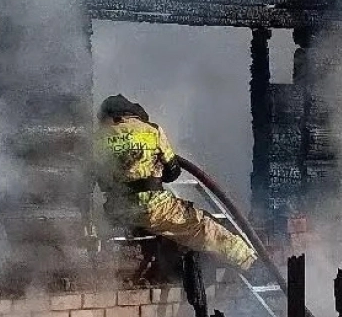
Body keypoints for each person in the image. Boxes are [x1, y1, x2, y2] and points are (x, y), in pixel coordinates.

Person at [93, 94, 257, 271]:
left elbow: (94, 178)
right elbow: (173, 172)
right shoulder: (151, 131)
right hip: (155, 208)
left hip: (117, 211)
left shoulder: (96, 139)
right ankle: (251, 264)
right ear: (132, 113)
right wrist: (154, 175)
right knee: (202, 227)